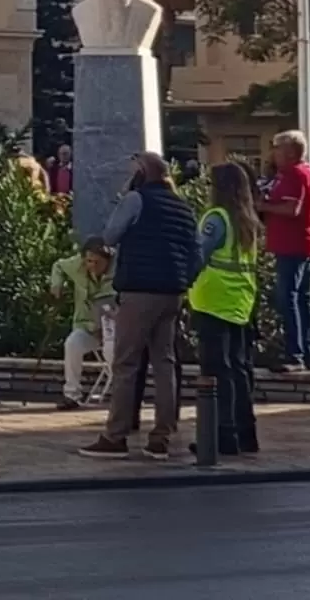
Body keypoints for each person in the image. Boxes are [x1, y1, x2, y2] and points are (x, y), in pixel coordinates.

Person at [81, 152, 196, 461]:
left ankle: (115, 436)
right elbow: (194, 252)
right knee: (164, 363)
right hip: (172, 292)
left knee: (126, 363)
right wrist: (183, 280)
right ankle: (162, 437)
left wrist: (122, 202)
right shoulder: (183, 207)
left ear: (142, 174)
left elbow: (110, 236)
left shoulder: (136, 199)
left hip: (139, 290)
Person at [191, 162, 263, 456]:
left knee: (217, 370)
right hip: (240, 301)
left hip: (213, 301)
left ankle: (222, 435)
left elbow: (199, 255)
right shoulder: (248, 220)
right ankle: (246, 435)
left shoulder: (216, 218)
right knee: (238, 368)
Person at [258, 129, 310, 371]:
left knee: (289, 299)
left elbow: (291, 209)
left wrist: (261, 205)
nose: (273, 152)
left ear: (290, 151)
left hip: (293, 244)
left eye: (276, 147)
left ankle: (294, 355)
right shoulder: (306, 173)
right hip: (305, 243)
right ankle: (305, 355)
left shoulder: (294, 174)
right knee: (304, 300)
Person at [48, 238, 116, 410]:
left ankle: (120, 395)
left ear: (107, 260)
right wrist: (56, 284)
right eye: (88, 260)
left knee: (111, 351)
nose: (91, 265)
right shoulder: (77, 265)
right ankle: (72, 395)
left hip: (112, 327)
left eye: (97, 262)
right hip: (86, 325)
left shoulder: (120, 268)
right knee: (72, 344)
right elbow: (58, 265)